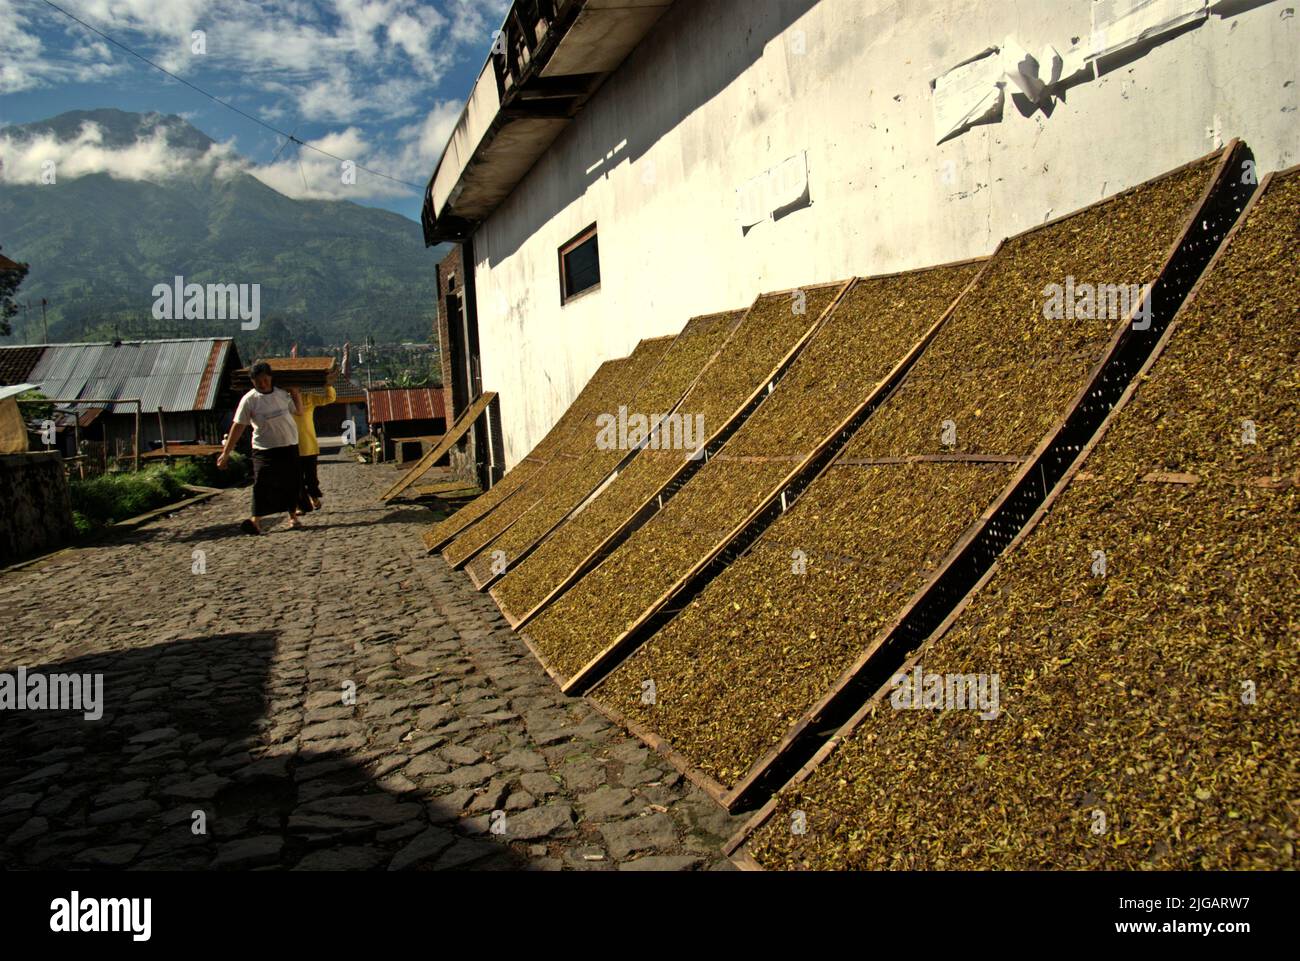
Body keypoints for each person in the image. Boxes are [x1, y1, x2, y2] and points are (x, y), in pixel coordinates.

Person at [217, 361, 304, 534]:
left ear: (271, 378)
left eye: (265, 379)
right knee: (262, 482)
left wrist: (295, 393)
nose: (263, 384)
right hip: (263, 448)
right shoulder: (249, 400)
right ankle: (255, 520)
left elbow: (299, 411)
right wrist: (225, 453)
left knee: (290, 481)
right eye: (258, 381)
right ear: (252, 382)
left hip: (289, 444)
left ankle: (293, 516)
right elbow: (238, 426)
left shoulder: (281, 395)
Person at [293, 373, 336, 513]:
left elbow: (329, 398)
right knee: (296, 479)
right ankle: (300, 505)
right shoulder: (282, 401)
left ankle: (314, 496)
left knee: (311, 477)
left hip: (308, 445)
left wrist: (327, 385)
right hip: (290, 446)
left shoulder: (308, 397)